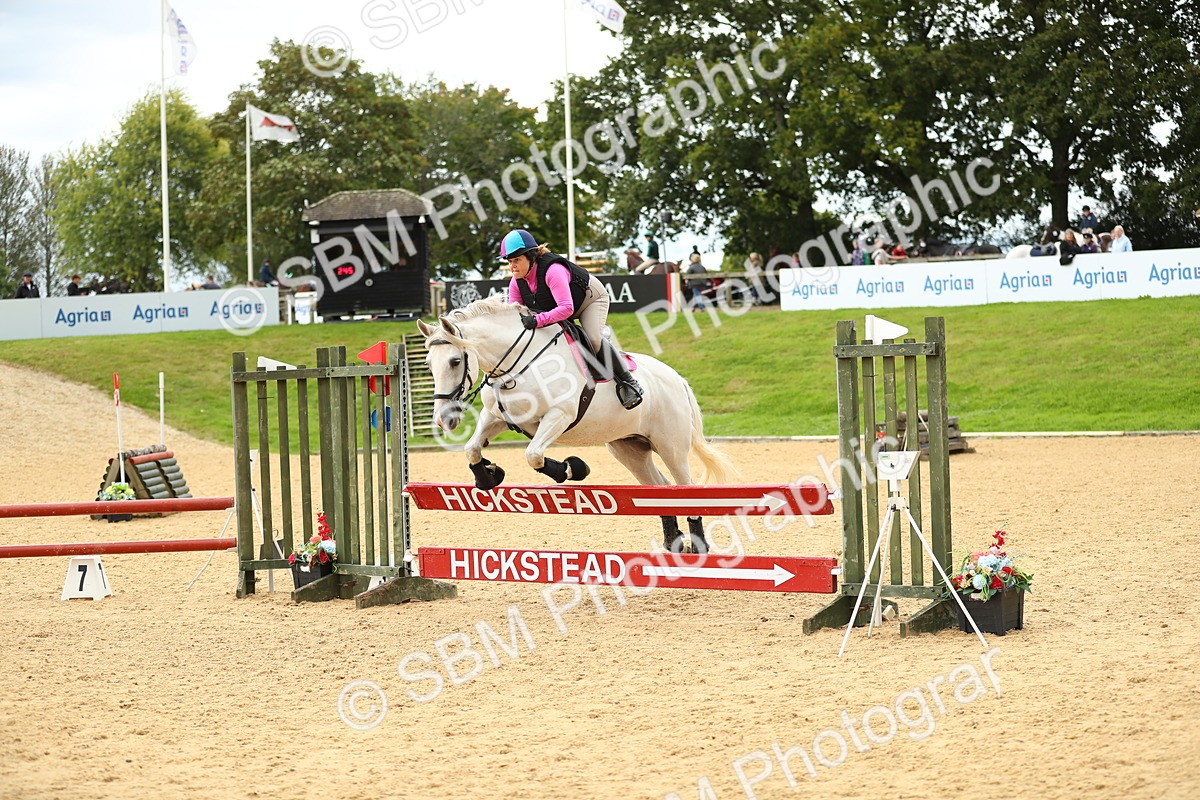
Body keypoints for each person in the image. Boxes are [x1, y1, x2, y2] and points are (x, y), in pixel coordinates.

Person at [502, 229, 643, 409]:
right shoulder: (516, 282)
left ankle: (629, 383)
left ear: (531, 257)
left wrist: (537, 321)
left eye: (517, 260)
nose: (512, 266)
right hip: (562, 306)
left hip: (589, 300)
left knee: (593, 338)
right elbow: (516, 315)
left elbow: (567, 308)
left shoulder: (553, 270)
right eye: (510, 261)